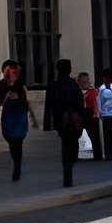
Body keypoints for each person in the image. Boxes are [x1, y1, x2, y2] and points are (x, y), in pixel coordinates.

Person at [44, 59, 86, 187]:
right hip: (72, 119)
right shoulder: (73, 85)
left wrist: (48, 124)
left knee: (66, 147)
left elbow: (49, 105)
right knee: (70, 146)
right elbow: (80, 104)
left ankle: (68, 174)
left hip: (62, 120)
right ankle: (68, 172)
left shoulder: (54, 85)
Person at [0, 62, 32, 181]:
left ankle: (17, 168)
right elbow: (0, 101)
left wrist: (18, 96)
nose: (14, 73)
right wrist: (7, 96)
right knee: (10, 140)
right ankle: (16, 161)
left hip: (19, 114)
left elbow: (26, 100)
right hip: (8, 115)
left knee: (18, 141)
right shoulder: (2, 84)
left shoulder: (21, 83)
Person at [97, 68, 112, 157]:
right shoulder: (101, 88)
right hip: (105, 115)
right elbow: (99, 101)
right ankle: (108, 151)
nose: (104, 79)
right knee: (107, 135)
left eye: (105, 78)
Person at [78, 70, 100, 160]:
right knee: (76, 135)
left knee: (94, 135)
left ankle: (98, 155)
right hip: (79, 113)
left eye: (86, 80)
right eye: (83, 81)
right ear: (79, 82)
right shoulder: (77, 92)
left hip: (90, 113)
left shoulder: (93, 91)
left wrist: (96, 113)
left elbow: (96, 103)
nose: (85, 83)